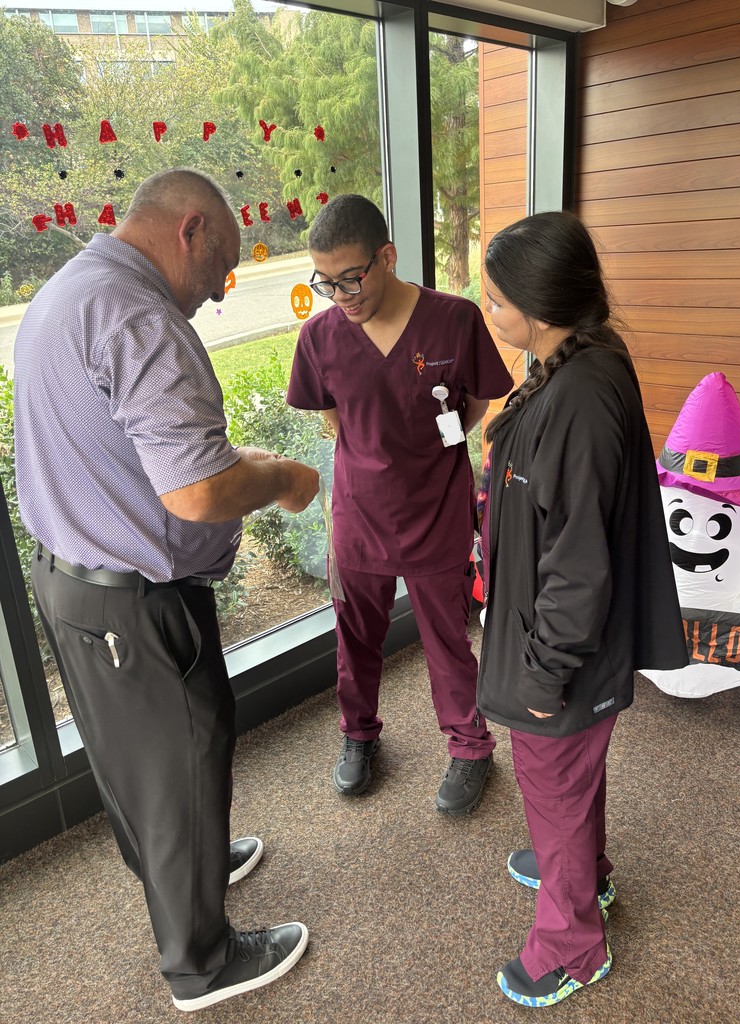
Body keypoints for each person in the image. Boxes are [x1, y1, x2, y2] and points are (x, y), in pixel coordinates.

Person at [13, 169, 320, 1012]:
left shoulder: (71, 290)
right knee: (187, 747)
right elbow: (197, 493)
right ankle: (202, 964)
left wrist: (233, 463)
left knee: (134, 760)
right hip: (135, 601)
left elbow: (128, 452)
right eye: (221, 266)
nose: (221, 291)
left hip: (71, 580)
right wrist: (280, 478)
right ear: (190, 230)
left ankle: (184, 864)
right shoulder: (140, 317)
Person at [476, 211, 688, 1007]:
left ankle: (571, 946)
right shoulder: (577, 361)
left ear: (541, 307)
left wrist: (543, 674)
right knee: (566, 779)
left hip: (561, 651)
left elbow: (579, 563)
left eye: (497, 301)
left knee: (554, 780)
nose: (488, 312)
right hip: (552, 637)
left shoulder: (582, 396)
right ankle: (583, 870)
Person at [287, 194, 513, 813]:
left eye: (352, 278)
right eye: (325, 282)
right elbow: (335, 420)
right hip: (358, 516)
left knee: (446, 639)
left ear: (386, 257)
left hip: (436, 510)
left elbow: (474, 404)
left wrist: (427, 451)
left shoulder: (454, 320)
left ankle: (470, 747)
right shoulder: (319, 337)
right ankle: (359, 735)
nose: (341, 296)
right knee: (356, 637)